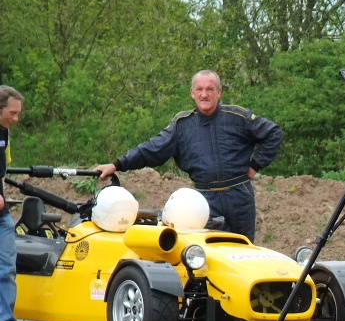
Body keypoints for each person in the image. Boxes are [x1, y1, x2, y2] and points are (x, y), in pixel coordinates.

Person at [94, 70, 281, 241]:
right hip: (204, 200)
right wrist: (117, 164)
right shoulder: (182, 125)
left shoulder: (238, 117)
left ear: (219, 92)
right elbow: (152, 148)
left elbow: (273, 133)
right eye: (199, 89)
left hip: (239, 195)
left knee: (243, 249)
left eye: (210, 89)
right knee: (208, 252)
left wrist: (255, 165)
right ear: (192, 93)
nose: (204, 94)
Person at [0, 84, 34, 321]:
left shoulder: (6, 134)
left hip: (1, 215)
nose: (16, 118)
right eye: (12, 112)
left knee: (6, 268)